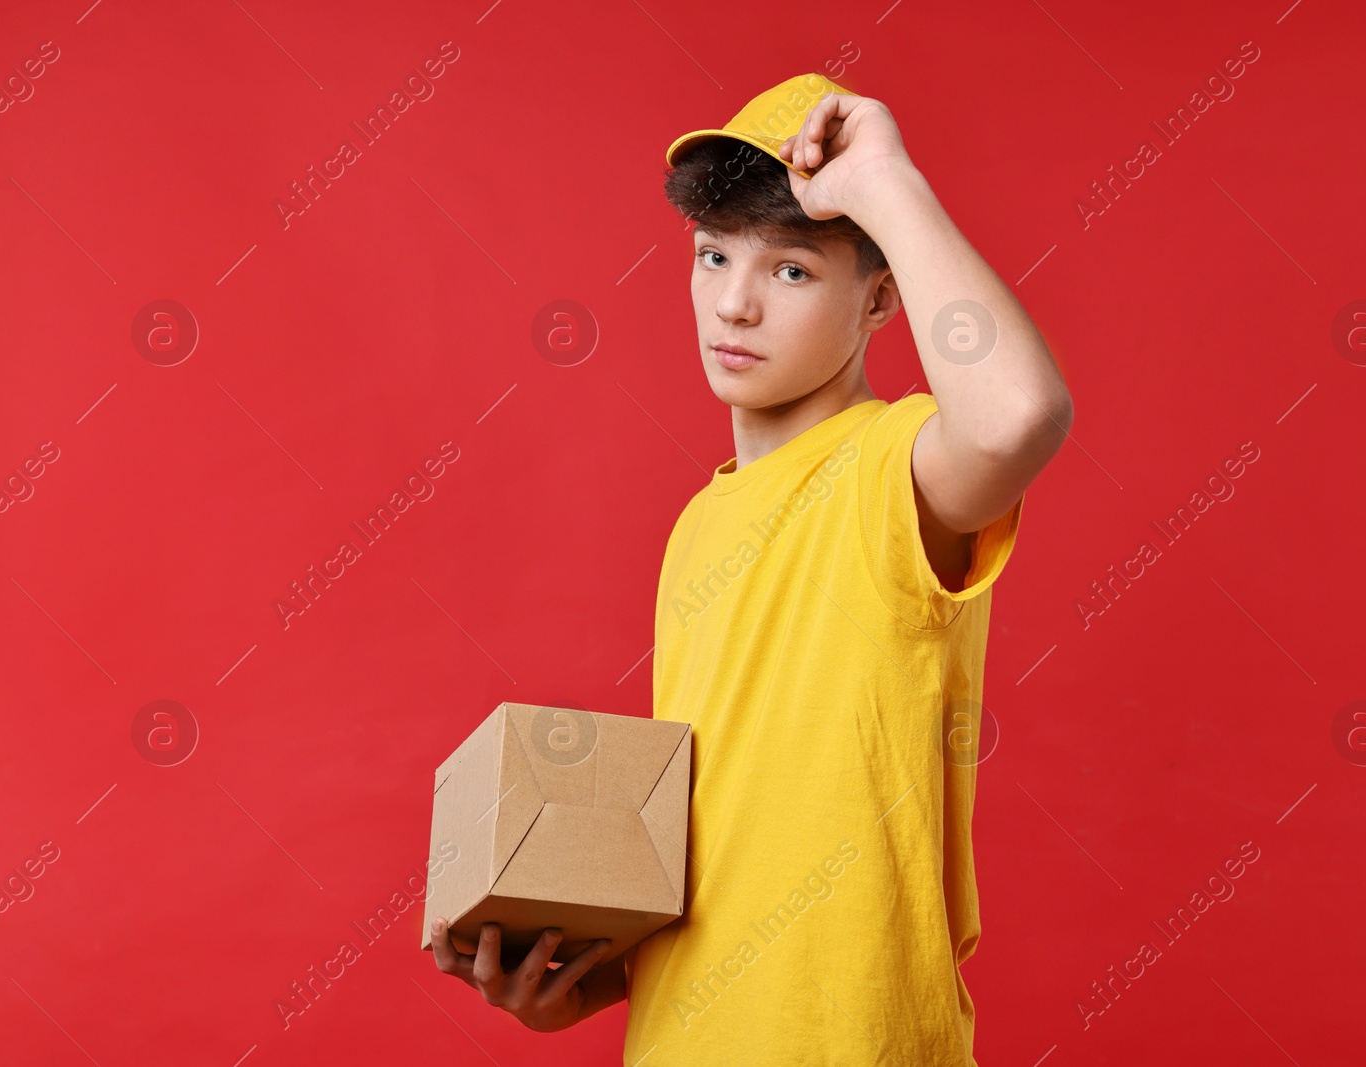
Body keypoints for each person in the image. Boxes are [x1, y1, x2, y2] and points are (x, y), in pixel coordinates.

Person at [430, 71, 1073, 1065]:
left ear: (881, 294)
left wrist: (888, 190)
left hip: (850, 1038)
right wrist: (582, 983)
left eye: (791, 272)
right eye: (712, 255)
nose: (732, 302)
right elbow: (724, 844)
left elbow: (1018, 415)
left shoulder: (889, 467)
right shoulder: (700, 523)